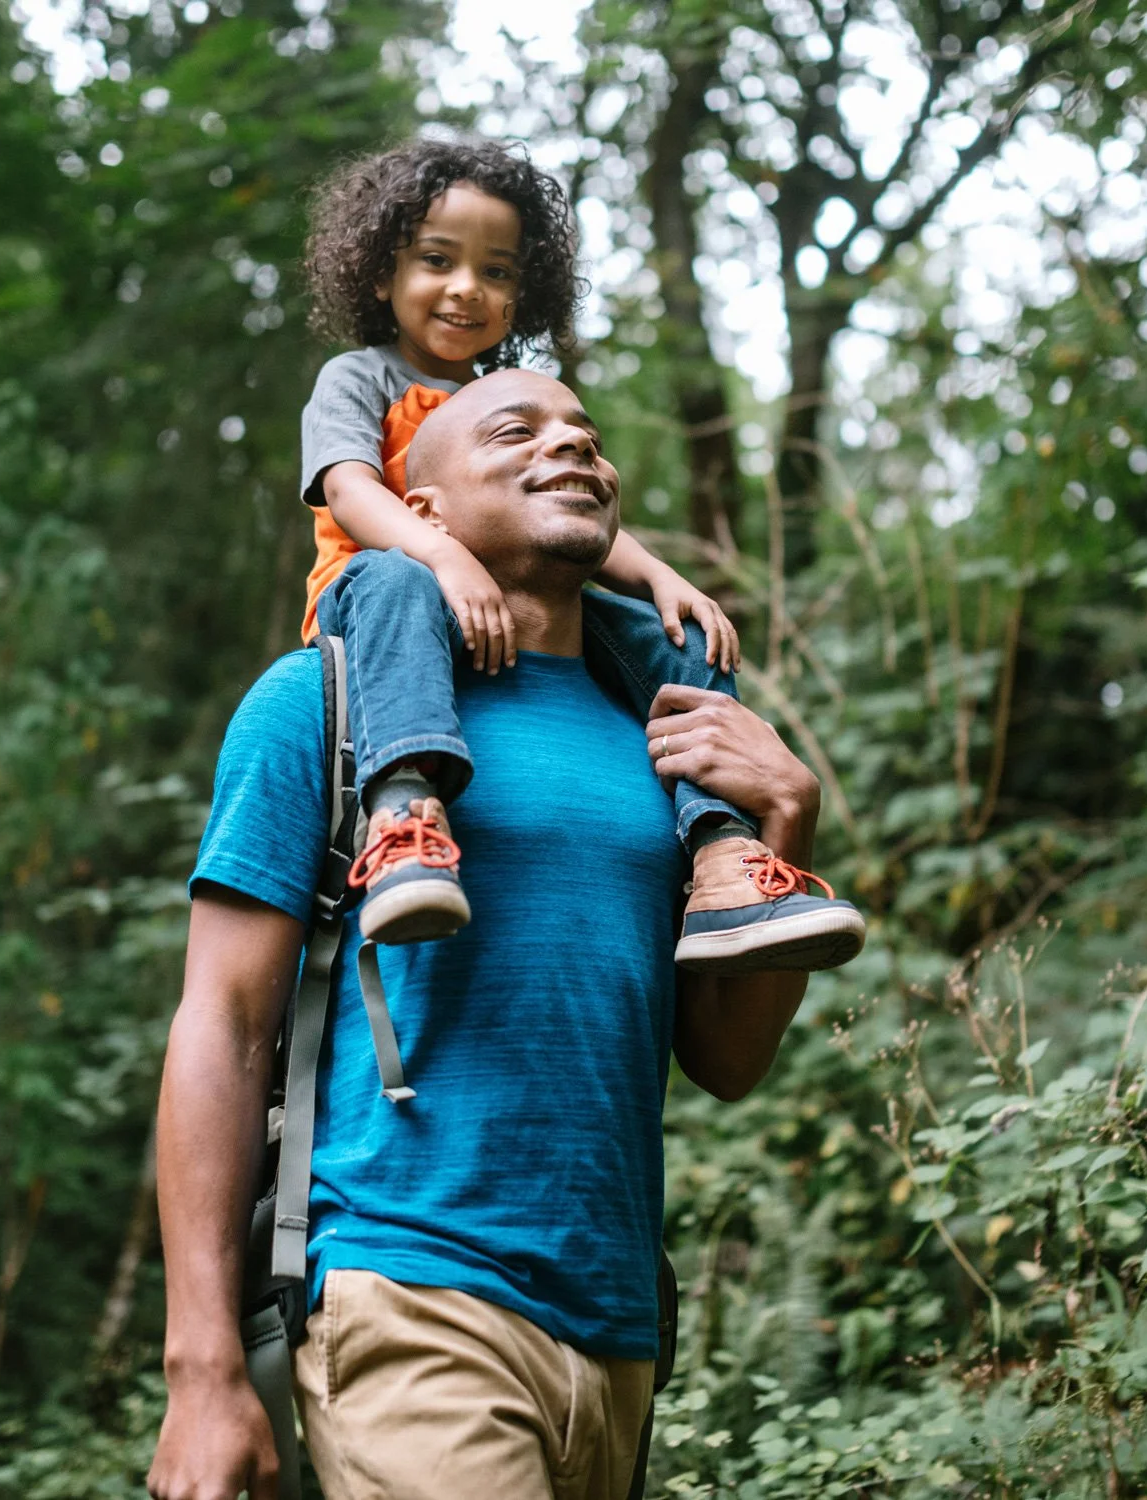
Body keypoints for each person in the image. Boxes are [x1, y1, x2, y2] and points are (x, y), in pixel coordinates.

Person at [146, 370, 858, 1500]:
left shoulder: (668, 736)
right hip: (406, 1288)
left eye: (588, 433)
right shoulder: (319, 705)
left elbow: (727, 1061)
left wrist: (786, 819)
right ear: (419, 512)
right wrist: (201, 1367)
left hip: (621, 1329)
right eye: (518, 430)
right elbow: (221, 1023)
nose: (574, 446)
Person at [298, 137, 863, 973]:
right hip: (384, 606)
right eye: (437, 261)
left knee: (675, 637)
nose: (467, 289)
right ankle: (405, 818)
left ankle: (722, 856)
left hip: (511, 608)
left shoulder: (510, 392)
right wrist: (443, 557)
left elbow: (569, 514)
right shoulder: (360, 378)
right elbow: (349, 491)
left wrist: (662, 578)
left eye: (496, 272)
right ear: (381, 273)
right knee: (392, 576)